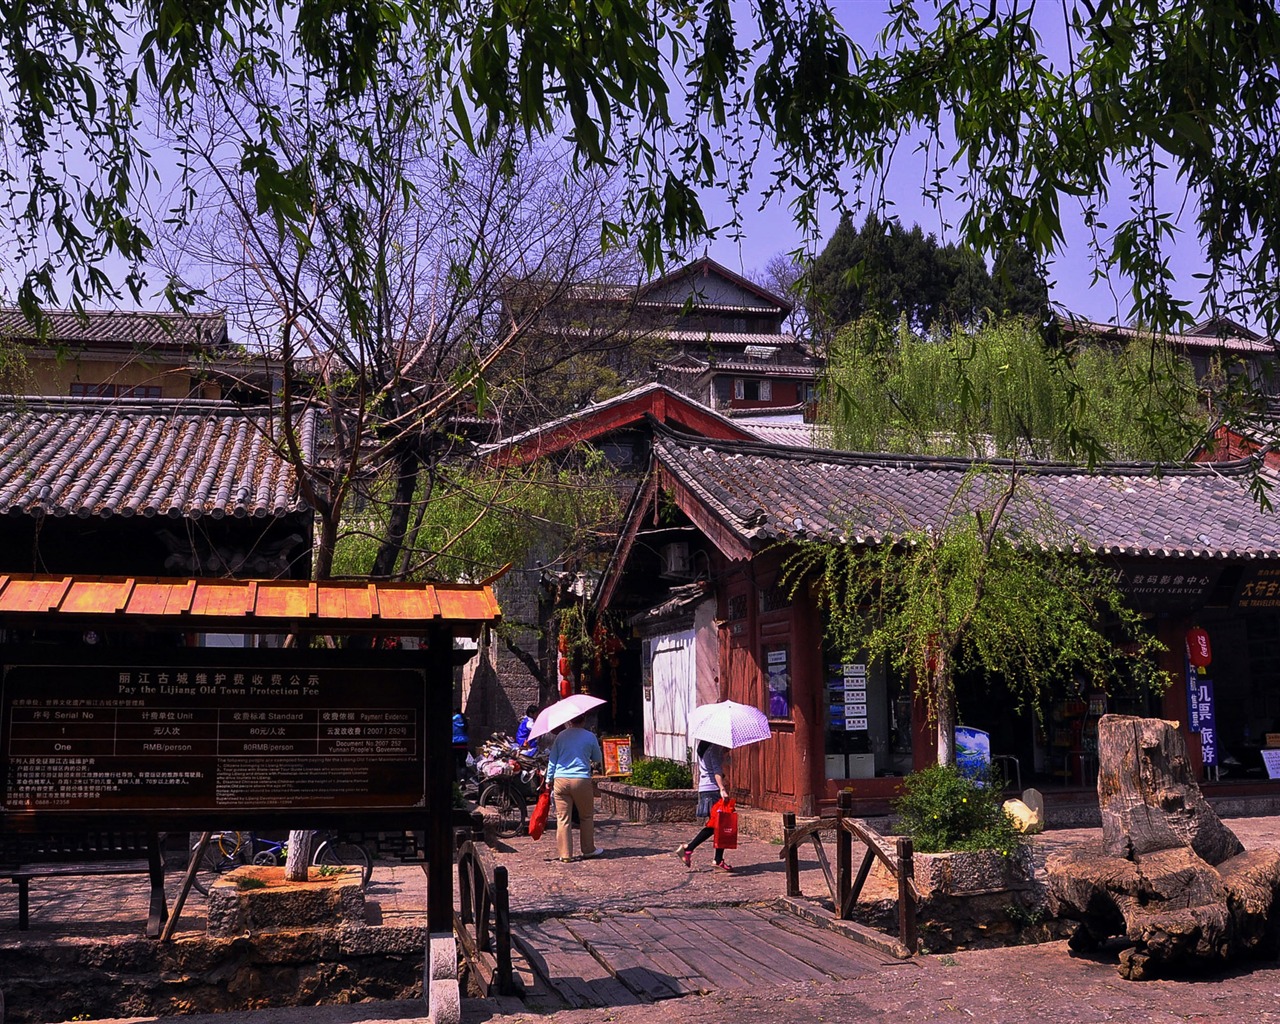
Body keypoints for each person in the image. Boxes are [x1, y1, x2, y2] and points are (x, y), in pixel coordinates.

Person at [544, 717, 603, 862]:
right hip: (581, 779)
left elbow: (553, 759)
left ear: (570, 721)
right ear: (584, 721)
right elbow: (597, 757)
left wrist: (548, 779)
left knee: (563, 818)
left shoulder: (561, 736)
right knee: (586, 816)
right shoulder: (590, 736)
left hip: (560, 779)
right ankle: (588, 849)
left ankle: (565, 855)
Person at [677, 740, 732, 871]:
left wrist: (723, 754)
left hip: (706, 788)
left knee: (719, 826)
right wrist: (722, 789)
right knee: (716, 824)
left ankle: (718, 859)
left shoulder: (704, 746)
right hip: (712, 789)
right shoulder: (714, 747)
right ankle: (688, 848)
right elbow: (716, 770)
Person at [452, 708, 469, 780]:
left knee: (453, 764)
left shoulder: (452, 720)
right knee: (462, 763)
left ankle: (454, 781)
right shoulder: (464, 720)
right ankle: (463, 779)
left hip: (454, 743)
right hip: (463, 743)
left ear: (454, 712)